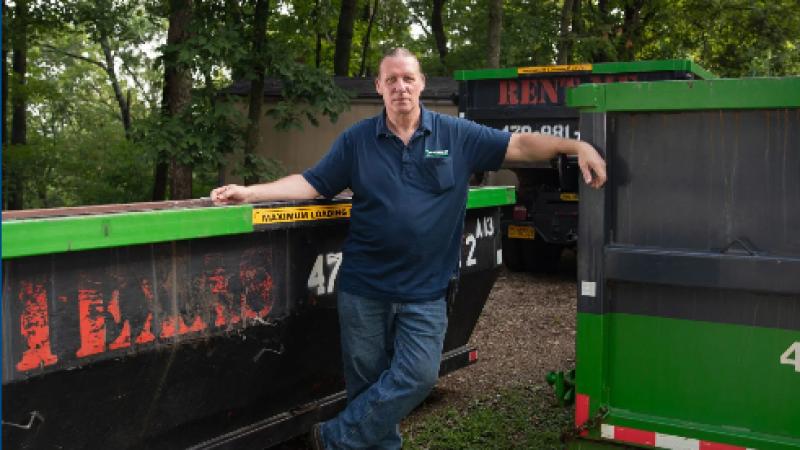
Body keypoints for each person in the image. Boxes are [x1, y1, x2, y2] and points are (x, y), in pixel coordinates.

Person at [211, 48, 606, 450]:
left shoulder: (456, 135)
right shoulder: (357, 141)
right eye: (392, 80)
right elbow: (313, 183)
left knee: (418, 377)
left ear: (421, 84)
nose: (400, 87)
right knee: (368, 394)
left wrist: (575, 148)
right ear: (379, 87)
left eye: (408, 78)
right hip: (364, 289)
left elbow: (520, 145)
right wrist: (251, 192)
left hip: (425, 291)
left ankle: (330, 439)